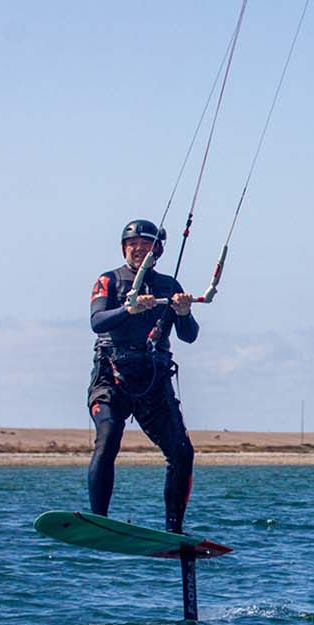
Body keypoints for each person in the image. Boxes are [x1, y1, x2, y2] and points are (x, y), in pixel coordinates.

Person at [87, 218, 200, 534]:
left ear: (157, 249)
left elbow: (189, 335)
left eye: (145, 244)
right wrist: (129, 310)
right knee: (109, 434)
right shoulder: (109, 280)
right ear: (124, 249)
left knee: (182, 452)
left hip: (153, 382)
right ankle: (99, 519)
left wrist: (183, 312)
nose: (138, 250)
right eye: (132, 245)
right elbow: (97, 322)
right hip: (111, 378)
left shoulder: (169, 286)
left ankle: (174, 531)